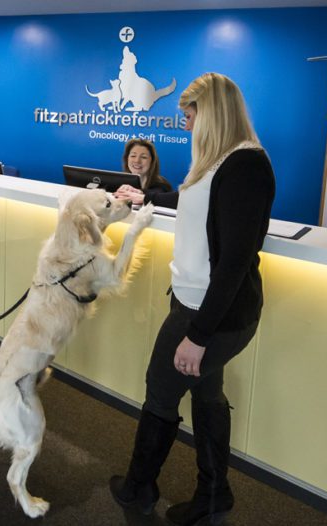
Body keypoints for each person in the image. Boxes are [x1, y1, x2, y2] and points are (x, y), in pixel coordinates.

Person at [109, 73, 276, 526]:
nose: (184, 125)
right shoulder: (216, 160)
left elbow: (236, 260)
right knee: (206, 394)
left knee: (161, 394)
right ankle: (215, 494)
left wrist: (199, 336)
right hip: (196, 305)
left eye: (188, 116)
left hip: (210, 314)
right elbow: (191, 208)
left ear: (213, 113)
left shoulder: (246, 165)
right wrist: (146, 196)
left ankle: (138, 487)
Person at [114, 138, 172, 205]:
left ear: (152, 162)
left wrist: (138, 192)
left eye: (143, 157)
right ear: (127, 159)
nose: (137, 161)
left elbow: (156, 195)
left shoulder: (162, 185)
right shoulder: (121, 182)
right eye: (133, 156)